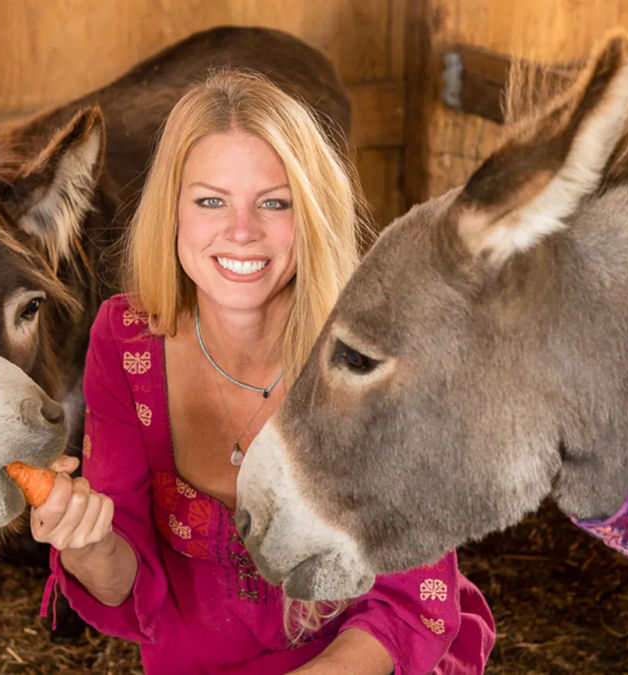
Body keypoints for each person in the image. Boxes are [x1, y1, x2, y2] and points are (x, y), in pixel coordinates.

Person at [31, 70, 495, 674]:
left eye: (274, 202)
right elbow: (125, 584)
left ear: (312, 213)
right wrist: (87, 544)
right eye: (210, 201)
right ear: (173, 212)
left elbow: (409, 604)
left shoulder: (382, 353)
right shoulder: (125, 342)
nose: (241, 231)